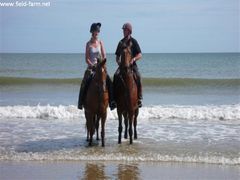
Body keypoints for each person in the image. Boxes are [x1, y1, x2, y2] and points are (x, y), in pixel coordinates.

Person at [78, 22, 116, 110]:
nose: (97, 33)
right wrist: (92, 65)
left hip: (100, 66)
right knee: (84, 82)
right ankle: (80, 102)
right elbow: (87, 59)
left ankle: (112, 102)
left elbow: (104, 55)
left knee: (109, 81)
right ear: (92, 32)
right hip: (92, 67)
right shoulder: (88, 44)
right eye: (96, 31)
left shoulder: (100, 42)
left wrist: (102, 64)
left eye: (98, 31)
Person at [114, 22, 143, 107]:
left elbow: (140, 54)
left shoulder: (134, 41)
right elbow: (117, 56)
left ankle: (139, 98)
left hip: (132, 66)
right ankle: (114, 99)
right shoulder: (120, 42)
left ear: (129, 31)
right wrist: (119, 63)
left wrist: (133, 59)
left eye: (125, 30)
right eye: (123, 30)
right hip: (122, 66)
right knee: (115, 76)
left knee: (138, 76)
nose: (123, 31)